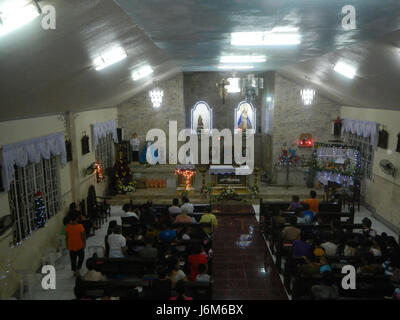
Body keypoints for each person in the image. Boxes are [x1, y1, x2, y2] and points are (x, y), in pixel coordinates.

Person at [65, 211, 86, 277]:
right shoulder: (80, 226)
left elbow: (67, 237)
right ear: (77, 218)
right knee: (81, 257)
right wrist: (84, 243)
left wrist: (67, 245)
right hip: (79, 245)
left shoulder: (68, 227)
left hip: (71, 245)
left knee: (73, 259)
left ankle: (75, 271)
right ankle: (78, 269)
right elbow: (83, 236)